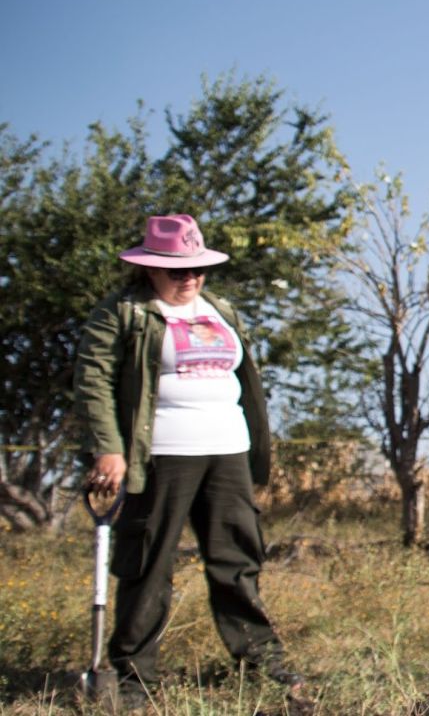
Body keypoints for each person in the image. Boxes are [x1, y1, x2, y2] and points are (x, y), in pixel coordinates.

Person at [75, 215, 301, 705]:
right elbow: (93, 379)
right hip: (160, 453)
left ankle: (262, 663)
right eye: (178, 271)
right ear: (150, 270)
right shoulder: (125, 312)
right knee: (149, 564)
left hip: (226, 449)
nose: (190, 279)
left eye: (197, 270)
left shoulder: (219, 309)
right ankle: (134, 678)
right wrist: (109, 447)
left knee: (236, 557)